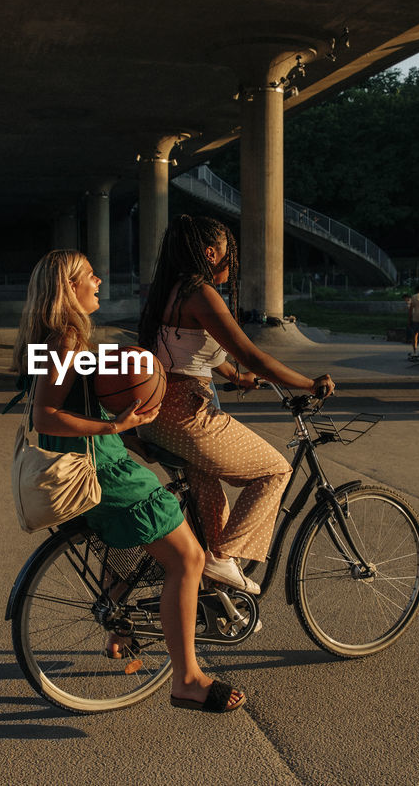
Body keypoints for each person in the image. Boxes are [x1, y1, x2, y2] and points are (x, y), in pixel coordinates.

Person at [11, 249, 245, 713]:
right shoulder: (64, 342)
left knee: (133, 544)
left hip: (101, 459)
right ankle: (189, 680)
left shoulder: (58, 339)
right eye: (88, 276)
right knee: (188, 559)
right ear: (68, 289)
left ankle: (122, 629)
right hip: (101, 466)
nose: (98, 280)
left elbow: (70, 399)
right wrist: (113, 428)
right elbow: (46, 415)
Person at [137, 214, 335, 595]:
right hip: (189, 415)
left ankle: (222, 605)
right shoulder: (201, 293)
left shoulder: (172, 289)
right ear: (211, 253)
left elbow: (189, 348)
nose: (232, 260)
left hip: (159, 414)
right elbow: (254, 355)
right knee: (275, 471)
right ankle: (222, 558)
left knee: (212, 508)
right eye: (229, 252)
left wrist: (235, 376)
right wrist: (310, 383)